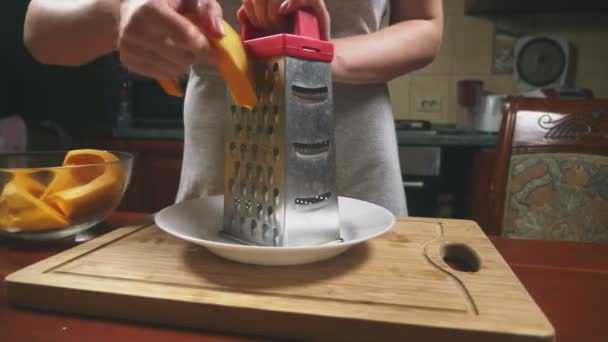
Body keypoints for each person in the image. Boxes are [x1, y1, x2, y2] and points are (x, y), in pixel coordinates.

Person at [23, 0, 443, 216]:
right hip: (221, 160)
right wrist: (118, 10)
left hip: (353, 157)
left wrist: (315, 57)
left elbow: (425, 24)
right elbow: (40, 30)